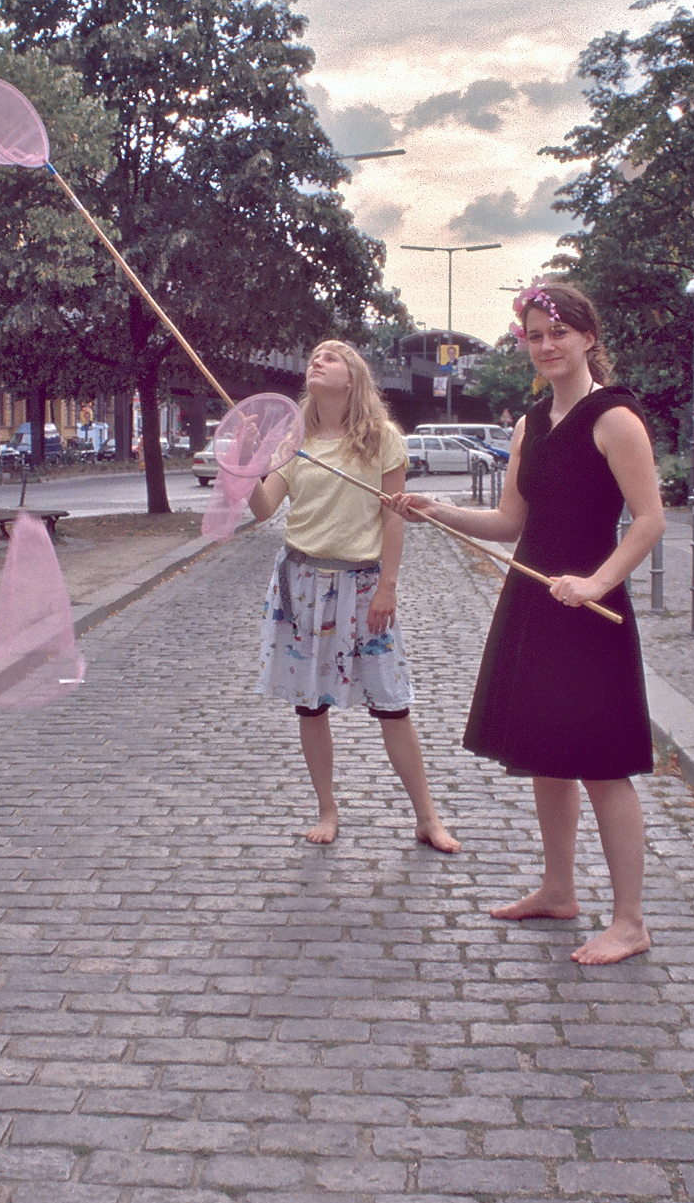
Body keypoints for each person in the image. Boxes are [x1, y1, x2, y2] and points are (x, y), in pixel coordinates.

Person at [389, 282, 664, 965]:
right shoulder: (528, 425)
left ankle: (630, 921)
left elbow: (650, 520)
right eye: (534, 335)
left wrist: (596, 582)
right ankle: (558, 889)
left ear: (588, 337)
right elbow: (510, 522)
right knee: (548, 754)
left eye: (559, 332)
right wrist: (437, 510)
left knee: (602, 765)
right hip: (535, 600)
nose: (546, 346)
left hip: (590, 610)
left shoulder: (615, 417)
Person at [249, 340, 460, 853]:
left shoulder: (382, 438)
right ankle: (327, 808)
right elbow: (263, 508)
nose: (317, 360)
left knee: (392, 704)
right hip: (302, 585)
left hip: (363, 584)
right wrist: (251, 462)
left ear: (353, 377)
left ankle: (427, 817)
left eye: (331, 357)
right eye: (314, 356)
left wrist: (387, 586)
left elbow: (393, 516)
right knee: (310, 706)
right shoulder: (294, 440)